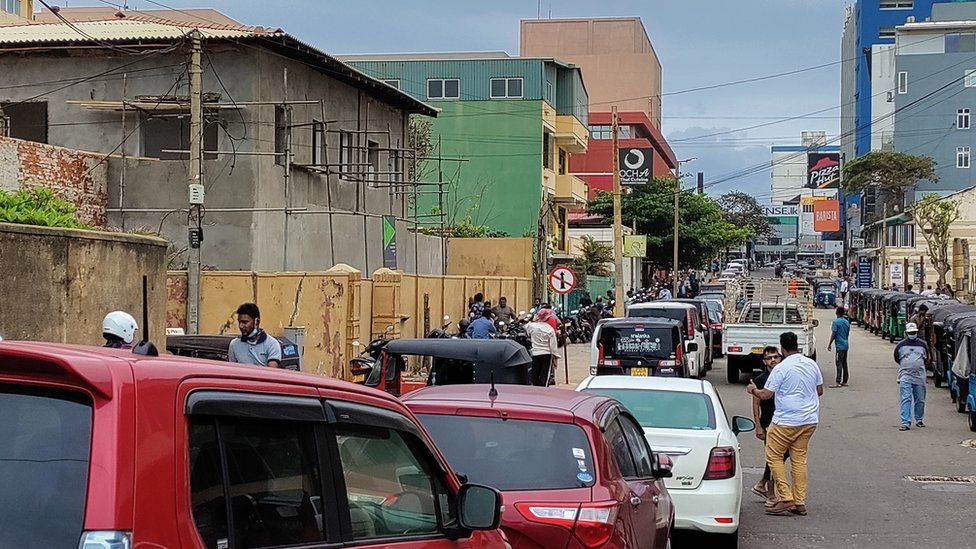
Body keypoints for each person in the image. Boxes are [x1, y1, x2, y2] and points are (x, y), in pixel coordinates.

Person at [747, 331, 823, 517]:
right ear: (798, 345)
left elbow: (766, 395)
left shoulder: (781, 368)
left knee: (773, 456)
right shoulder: (811, 364)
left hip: (786, 420)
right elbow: (819, 390)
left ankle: (786, 496)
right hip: (809, 420)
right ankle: (799, 501)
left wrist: (753, 390)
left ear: (782, 348)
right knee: (799, 460)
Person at [751, 346, 786, 504]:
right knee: (775, 459)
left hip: (785, 423)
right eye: (769, 358)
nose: (773, 360)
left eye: (775, 357)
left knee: (780, 457)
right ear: (764, 362)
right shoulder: (760, 380)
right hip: (768, 423)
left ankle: (761, 484)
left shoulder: (785, 376)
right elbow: (756, 404)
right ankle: (771, 494)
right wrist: (758, 425)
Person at [894, 322, 928, 431]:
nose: (912, 334)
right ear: (906, 333)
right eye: (910, 332)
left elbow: (927, 358)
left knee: (920, 399)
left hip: (919, 376)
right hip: (905, 375)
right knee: (906, 399)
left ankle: (919, 419)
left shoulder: (923, 345)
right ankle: (905, 422)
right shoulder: (901, 345)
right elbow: (896, 357)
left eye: (914, 332)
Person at [228, 302, 281, 367]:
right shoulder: (234, 344)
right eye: (239, 322)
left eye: (245, 322)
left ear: (257, 321)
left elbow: (272, 373)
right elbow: (233, 370)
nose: (241, 326)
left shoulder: (271, 344)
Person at [525, 309, 559, 386]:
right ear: (547, 318)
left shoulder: (531, 326)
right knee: (545, 375)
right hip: (547, 354)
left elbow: (526, 328)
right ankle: (543, 389)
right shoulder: (549, 329)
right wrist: (555, 357)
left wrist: (533, 320)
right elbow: (553, 345)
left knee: (535, 374)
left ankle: (536, 388)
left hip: (535, 353)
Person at [827, 307, 851, 387]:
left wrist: (830, 343)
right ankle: (845, 381)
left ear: (837, 313)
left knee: (839, 363)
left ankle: (838, 381)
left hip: (839, 346)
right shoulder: (847, 322)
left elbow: (834, 333)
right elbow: (847, 333)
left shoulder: (836, 322)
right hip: (845, 344)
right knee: (844, 362)